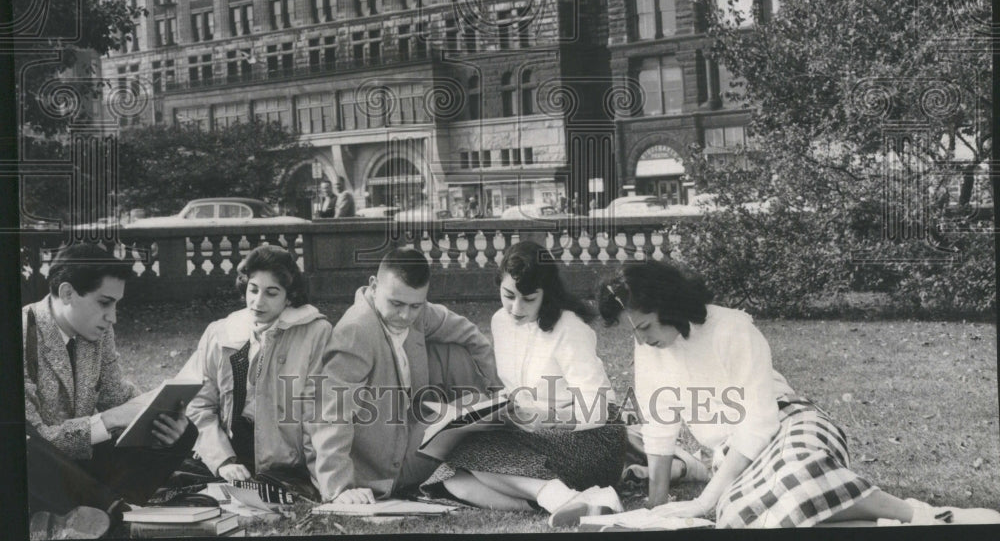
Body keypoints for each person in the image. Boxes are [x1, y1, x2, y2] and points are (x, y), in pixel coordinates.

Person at [598, 261, 1000, 528]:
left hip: (790, 423)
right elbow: (660, 425)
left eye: (645, 327)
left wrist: (704, 501)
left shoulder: (733, 329)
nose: (642, 340)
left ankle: (920, 515)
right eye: (635, 332)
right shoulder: (649, 347)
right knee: (739, 513)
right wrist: (658, 501)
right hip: (731, 454)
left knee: (796, 474)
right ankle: (870, 522)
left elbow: (758, 423)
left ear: (667, 305)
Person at [437, 241, 690, 528]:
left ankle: (559, 498)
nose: (516, 308)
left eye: (529, 299)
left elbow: (599, 410)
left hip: (593, 440)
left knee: (470, 452)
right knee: (451, 477)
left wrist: (546, 418)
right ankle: (572, 500)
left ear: (547, 294)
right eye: (508, 295)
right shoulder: (499, 321)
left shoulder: (569, 328)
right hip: (534, 437)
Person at [23, 243, 196, 527]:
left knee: (184, 429)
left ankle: (97, 508)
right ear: (67, 293)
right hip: (41, 469)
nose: (113, 316)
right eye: (105, 302)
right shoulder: (20, 333)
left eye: (116, 304)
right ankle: (111, 509)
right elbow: (37, 438)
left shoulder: (99, 331)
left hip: (83, 466)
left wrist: (160, 412)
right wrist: (111, 418)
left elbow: (116, 394)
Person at [322, 247, 498, 503]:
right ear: (373, 285)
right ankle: (491, 450)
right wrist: (339, 488)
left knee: (459, 352)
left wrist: (497, 388)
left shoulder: (419, 314)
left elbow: (473, 336)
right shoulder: (356, 330)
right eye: (396, 303)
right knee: (478, 407)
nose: (406, 315)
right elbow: (331, 412)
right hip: (385, 467)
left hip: (412, 426)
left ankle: (488, 444)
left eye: (415, 305)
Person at [182, 244, 340, 501]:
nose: (258, 301)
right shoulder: (220, 332)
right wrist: (223, 460)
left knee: (270, 492)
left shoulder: (316, 332)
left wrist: (326, 481)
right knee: (172, 481)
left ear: (289, 297)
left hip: (285, 461)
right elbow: (198, 406)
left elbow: (319, 413)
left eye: (271, 293)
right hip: (231, 449)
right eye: (253, 290)